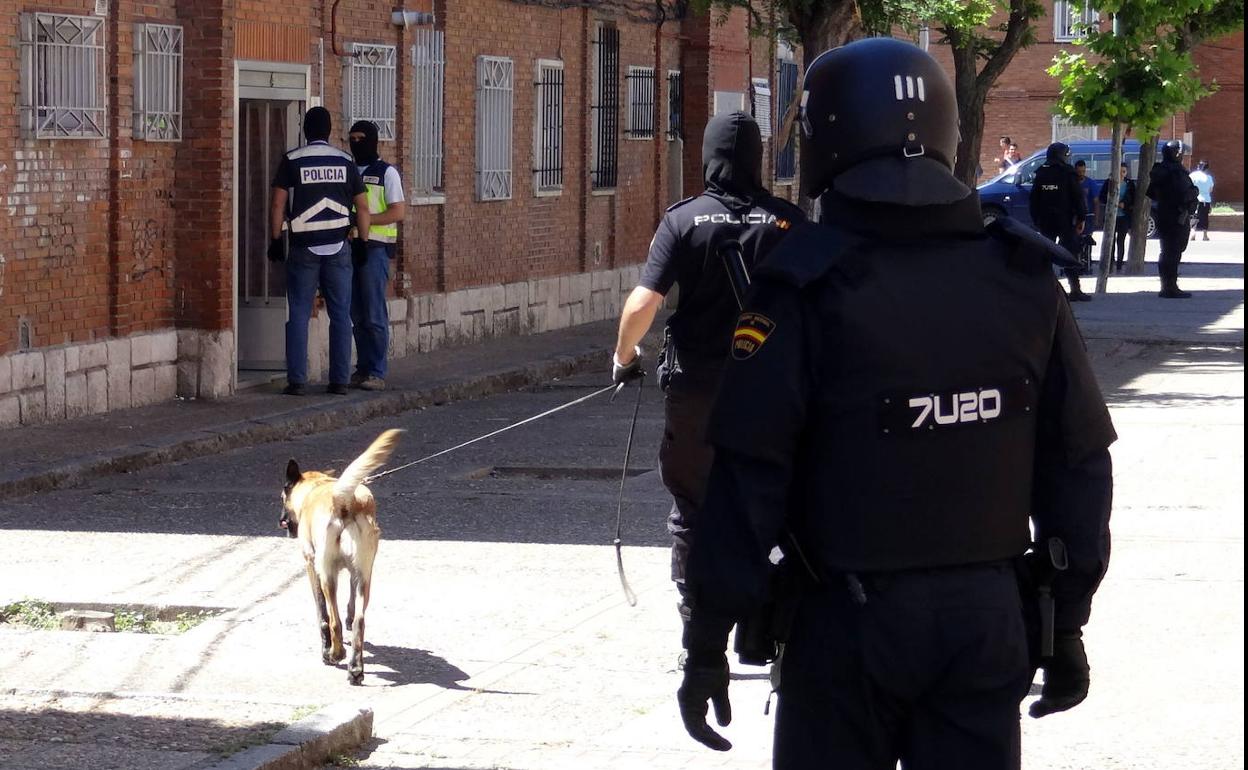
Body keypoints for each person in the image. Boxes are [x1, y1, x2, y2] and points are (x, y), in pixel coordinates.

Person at [676, 38, 1116, 770]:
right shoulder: (1023, 276)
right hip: (987, 619)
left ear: (828, 139)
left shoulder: (803, 286)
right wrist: (1066, 621)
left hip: (846, 626)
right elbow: (1078, 465)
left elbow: (746, 482)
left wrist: (707, 640)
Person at [611, 111, 805, 635]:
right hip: (771, 392)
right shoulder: (789, 222)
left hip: (697, 386)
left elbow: (645, 301)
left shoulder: (683, 219)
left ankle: (699, 630)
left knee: (694, 508)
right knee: (774, 500)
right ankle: (766, 623)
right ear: (757, 158)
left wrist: (624, 356)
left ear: (708, 157)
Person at [269, 107, 370, 395]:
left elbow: (278, 204)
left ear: (305, 130)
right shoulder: (346, 161)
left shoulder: (292, 160)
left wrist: (276, 239)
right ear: (327, 130)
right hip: (339, 247)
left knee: (299, 313)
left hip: (303, 248)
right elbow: (362, 207)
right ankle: (339, 381)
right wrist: (362, 242)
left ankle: (297, 380)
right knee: (340, 315)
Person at [347, 120, 407, 391]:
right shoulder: (347, 170)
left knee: (373, 314)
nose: (356, 143)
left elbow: (398, 211)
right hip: (350, 248)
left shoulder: (387, 173)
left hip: (376, 249)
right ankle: (362, 368)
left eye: (361, 138)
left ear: (373, 141)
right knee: (356, 314)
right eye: (352, 138)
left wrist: (365, 221)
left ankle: (377, 371)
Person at [1030, 142, 1092, 301]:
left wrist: (1036, 219)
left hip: (1045, 221)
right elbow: (1078, 197)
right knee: (1070, 254)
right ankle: (1075, 290)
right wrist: (1081, 218)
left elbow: (1033, 199)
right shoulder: (1068, 173)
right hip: (1065, 221)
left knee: (1045, 254)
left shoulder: (1041, 173)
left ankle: (1041, 289)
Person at [1146, 140, 1200, 298]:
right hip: (1177, 216)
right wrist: (1194, 192)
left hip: (1164, 214)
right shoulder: (1176, 171)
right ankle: (1170, 286)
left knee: (1166, 251)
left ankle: (1166, 285)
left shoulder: (1160, 170)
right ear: (1177, 153)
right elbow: (1184, 194)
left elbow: (1151, 193)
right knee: (1174, 251)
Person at [1097, 163, 1136, 272]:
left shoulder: (1129, 184)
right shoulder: (1109, 182)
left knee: (1121, 241)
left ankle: (1119, 264)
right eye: (1120, 171)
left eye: (1124, 171)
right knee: (1110, 241)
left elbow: (1134, 199)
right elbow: (1102, 197)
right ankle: (1110, 264)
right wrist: (1112, 201)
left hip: (1123, 216)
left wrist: (1125, 205)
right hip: (1111, 216)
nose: (1122, 174)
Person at [1190, 160, 1215, 242]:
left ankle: (1193, 233)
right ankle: (1205, 235)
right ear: (1207, 168)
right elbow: (1210, 190)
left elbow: (1189, 185)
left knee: (1194, 216)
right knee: (1204, 217)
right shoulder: (1209, 178)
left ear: (1198, 166)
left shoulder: (1193, 175)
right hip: (1206, 200)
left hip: (1196, 199)